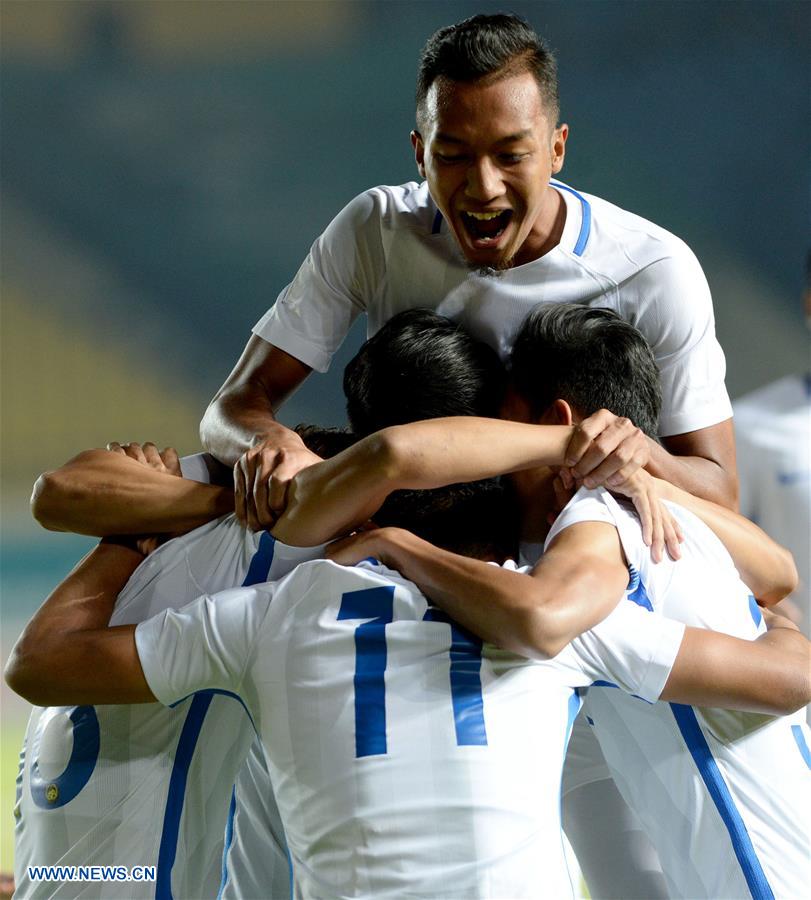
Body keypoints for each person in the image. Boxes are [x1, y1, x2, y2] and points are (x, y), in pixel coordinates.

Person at [29, 310, 803, 898]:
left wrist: (137, 535)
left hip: (91, 826)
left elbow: (58, 526)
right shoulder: (561, 588)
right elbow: (776, 575)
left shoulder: (281, 540)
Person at [323, 304, 811, 899]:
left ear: (556, 423)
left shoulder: (591, 560)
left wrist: (394, 544)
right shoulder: (667, 517)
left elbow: (540, 617)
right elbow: (780, 577)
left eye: (504, 424)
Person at [199, 12, 737, 530]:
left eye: (510, 156)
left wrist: (642, 455)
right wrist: (270, 442)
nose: (484, 187)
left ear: (556, 149)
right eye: (453, 155)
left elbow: (720, 490)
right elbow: (231, 408)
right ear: (419, 154)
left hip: (576, 572)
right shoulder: (376, 230)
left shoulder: (652, 269)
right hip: (408, 549)